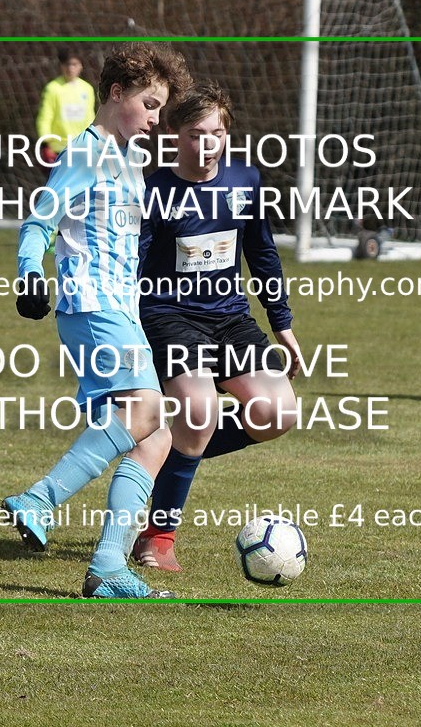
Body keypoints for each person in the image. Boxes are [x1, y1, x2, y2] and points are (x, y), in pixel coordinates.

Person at [3, 43, 192, 599]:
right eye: (150, 104)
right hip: (92, 304)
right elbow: (39, 221)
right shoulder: (85, 153)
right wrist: (29, 274)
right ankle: (40, 499)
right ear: (117, 93)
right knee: (150, 409)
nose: (157, 119)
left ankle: (108, 566)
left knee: (155, 436)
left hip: (119, 308)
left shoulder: (128, 159)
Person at [132, 81, 301, 572]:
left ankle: (166, 445)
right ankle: (158, 538)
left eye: (216, 133)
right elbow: (134, 265)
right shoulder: (154, 191)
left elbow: (263, 255)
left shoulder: (245, 182)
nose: (206, 144)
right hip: (168, 315)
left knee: (277, 413)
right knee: (201, 409)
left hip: (230, 318)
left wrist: (283, 325)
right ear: (173, 136)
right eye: (194, 134)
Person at [36, 47, 95, 165]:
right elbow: (45, 117)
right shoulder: (53, 88)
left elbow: (90, 117)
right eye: (67, 64)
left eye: (74, 64)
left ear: (81, 66)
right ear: (61, 66)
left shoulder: (87, 89)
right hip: (59, 149)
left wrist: (94, 140)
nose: (70, 68)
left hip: (83, 147)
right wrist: (46, 143)